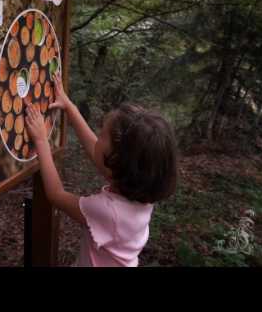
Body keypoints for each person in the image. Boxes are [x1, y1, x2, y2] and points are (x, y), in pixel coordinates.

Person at [25, 75, 178, 267]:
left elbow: (56, 195)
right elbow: (96, 152)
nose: (97, 138)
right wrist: (69, 107)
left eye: (102, 135)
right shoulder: (141, 192)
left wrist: (41, 140)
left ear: (115, 160)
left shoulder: (108, 212)